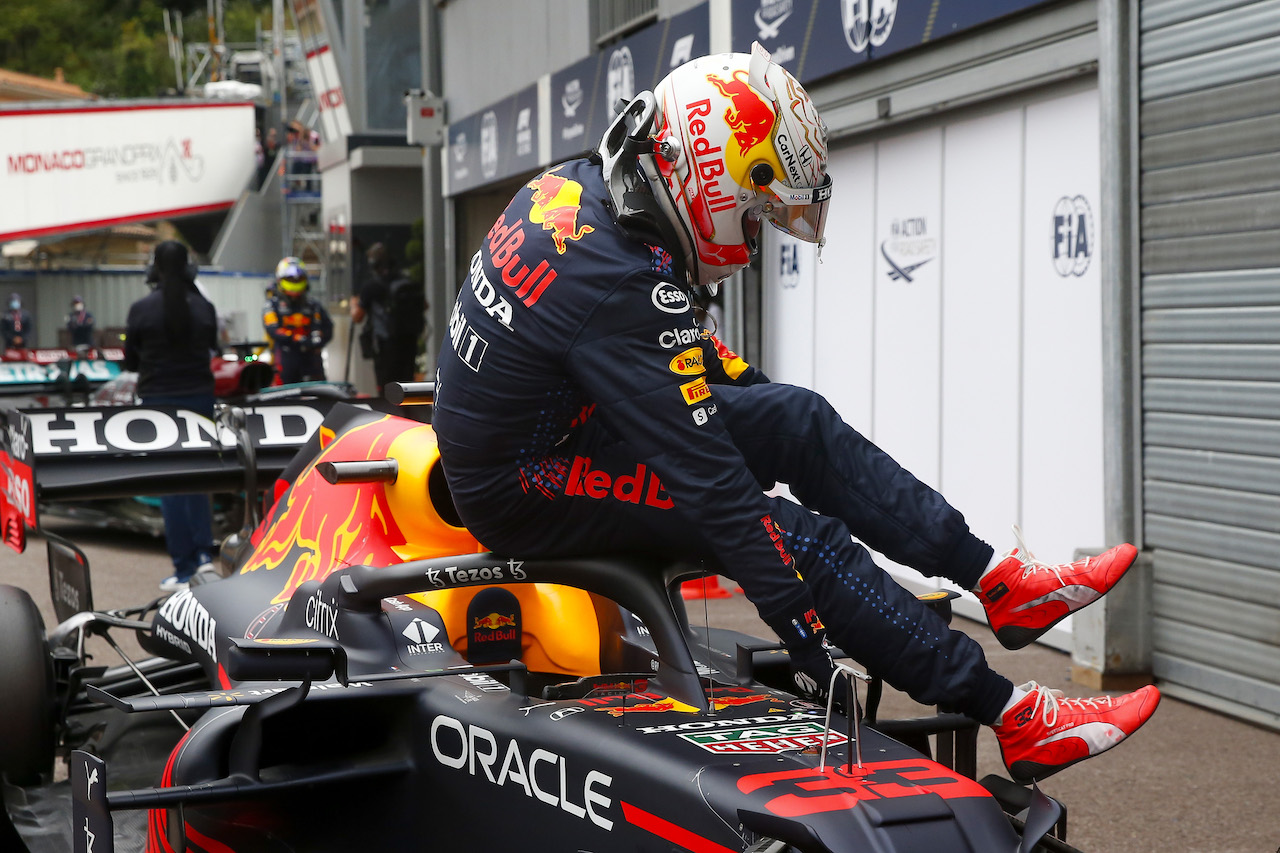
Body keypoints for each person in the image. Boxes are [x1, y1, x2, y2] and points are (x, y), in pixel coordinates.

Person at [431, 44, 1160, 785]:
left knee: (799, 420)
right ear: (714, 179)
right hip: (524, 479)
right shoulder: (619, 281)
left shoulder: (591, 187)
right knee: (799, 545)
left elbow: (694, 360)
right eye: (756, 216)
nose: (751, 245)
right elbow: (717, 489)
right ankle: (1014, 716)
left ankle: (999, 580)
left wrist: (770, 410)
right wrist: (804, 633)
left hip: (558, 422)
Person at [125, 241, 219, 593]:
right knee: (198, 479)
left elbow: (131, 362)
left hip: (157, 403)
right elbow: (213, 348)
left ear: (155, 269)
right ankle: (205, 558)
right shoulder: (204, 307)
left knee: (169, 484)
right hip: (200, 400)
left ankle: (182, 570)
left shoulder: (141, 309)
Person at [351, 243, 424, 392]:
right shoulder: (407, 282)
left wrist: (353, 304)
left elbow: (358, 317)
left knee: (387, 390)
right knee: (407, 386)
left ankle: (391, 414)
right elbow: (425, 305)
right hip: (409, 342)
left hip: (385, 346)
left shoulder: (371, 287)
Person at [263, 256, 333, 384]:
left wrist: (317, 341)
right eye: (290, 279)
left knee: (319, 395)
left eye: (298, 279)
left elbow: (328, 328)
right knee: (285, 396)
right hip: (286, 357)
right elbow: (273, 330)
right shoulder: (272, 305)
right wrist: (297, 339)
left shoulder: (313, 305)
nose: (294, 282)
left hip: (312, 358)